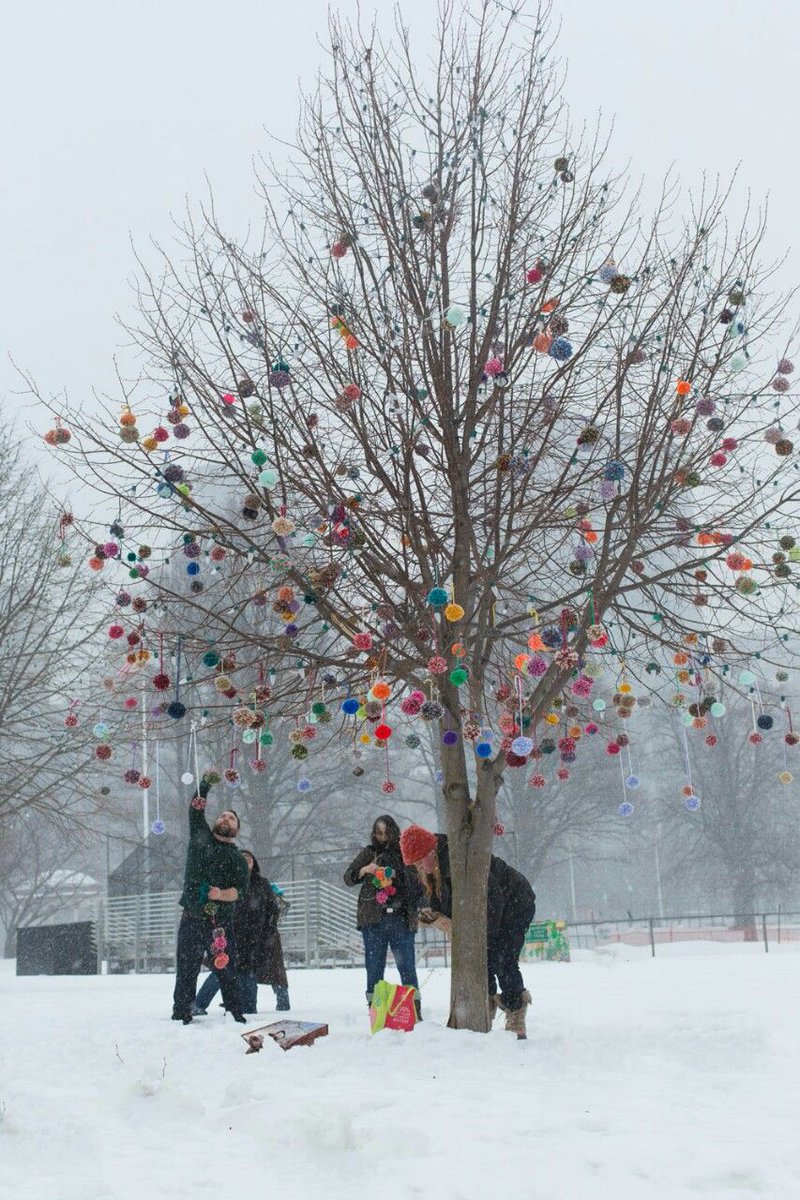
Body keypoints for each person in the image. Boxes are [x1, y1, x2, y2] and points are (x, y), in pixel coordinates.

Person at [399, 824, 536, 1039]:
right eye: (414, 865)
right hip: (490, 911)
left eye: (419, 861)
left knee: (502, 957)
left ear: (431, 851)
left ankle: (516, 1009)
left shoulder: (458, 858)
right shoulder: (434, 869)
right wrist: (433, 916)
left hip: (514, 904)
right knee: (484, 959)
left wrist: (480, 937)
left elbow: (493, 898)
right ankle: (485, 1006)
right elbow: (444, 902)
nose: (419, 868)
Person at [171, 774, 250, 1025]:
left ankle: (235, 1013)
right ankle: (181, 1012)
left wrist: (221, 894)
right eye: (222, 815)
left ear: (236, 830)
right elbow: (195, 808)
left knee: (226, 969)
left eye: (231, 818)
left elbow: (241, 891)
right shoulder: (200, 837)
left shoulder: (238, 859)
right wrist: (205, 784)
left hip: (220, 925)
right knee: (187, 969)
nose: (226, 818)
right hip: (192, 918)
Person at [193, 850, 291, 1015]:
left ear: (254, 863)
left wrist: (267, 929)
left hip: (254, 937)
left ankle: (248, 1008)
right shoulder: (227, 884)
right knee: (221, 970)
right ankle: (199, 1004)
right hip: (231, 935)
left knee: (248, 973)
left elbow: (272, 909)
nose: (246, 861)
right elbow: (214, 908)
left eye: (249, 859)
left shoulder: (262, 883)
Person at [344, 815, 421, 1016]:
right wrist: (365, 870)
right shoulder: (369, 853)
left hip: (401, 919)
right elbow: (348, 877)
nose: (383, 836)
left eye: (387, 832)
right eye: (379, 832)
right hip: (373, 920)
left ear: (394, 831)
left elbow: (416, 882)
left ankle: (414, 1012)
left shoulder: (405, 854)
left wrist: (395, 874)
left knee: (407, 969)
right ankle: (376, 1013)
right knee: (374, 970)